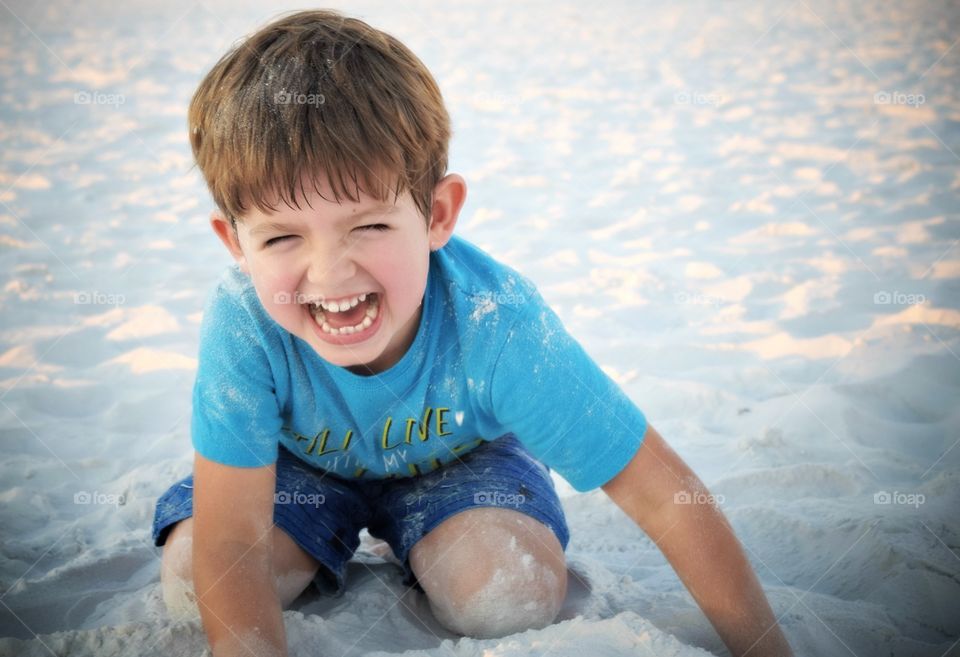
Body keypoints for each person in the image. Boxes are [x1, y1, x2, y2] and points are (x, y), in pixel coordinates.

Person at [151, 9, 793, 657]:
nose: (329, 271)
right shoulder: (244, 322)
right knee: (191, 583)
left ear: (436, 214)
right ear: (235, 242)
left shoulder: (498, 322)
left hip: (462, 460)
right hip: (301, 467)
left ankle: (427, 540)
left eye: (368, 226)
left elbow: (665, 495)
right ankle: (329, 534)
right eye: (282, 236)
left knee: (506, 596)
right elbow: (232, 534)